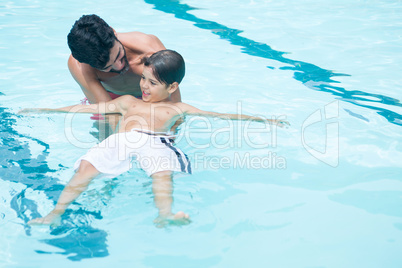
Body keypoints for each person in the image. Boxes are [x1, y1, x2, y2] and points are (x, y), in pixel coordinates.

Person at [20, 50, 289, 227]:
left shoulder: (175, 108)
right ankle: (54, 215)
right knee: (87, 166)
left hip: (156, 141)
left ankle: (165, 214)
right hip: (121, 140)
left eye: (152, 83)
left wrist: (265, 120)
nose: (144, 87)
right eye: (144, 79)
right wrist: (42, 109)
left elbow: (219, 115)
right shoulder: (127, 102)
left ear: (172, 87)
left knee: (161, 172)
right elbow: (88, 108)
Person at [67, 14, 181, 139]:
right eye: (107, 68)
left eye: (119, 56)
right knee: (106, 139)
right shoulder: (80, 66)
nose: (119, 66)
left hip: (151, 96)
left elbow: (173, 103)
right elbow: (110, 112)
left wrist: (170, 134)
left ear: (114, 33)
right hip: (109, 97)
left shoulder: (149, 49)